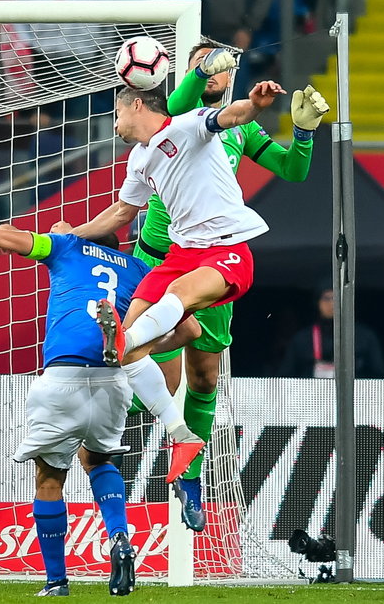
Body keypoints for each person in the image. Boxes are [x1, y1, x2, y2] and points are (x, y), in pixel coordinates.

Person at [128, 42, 328, 531]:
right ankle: (105, 445)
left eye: (222, 64)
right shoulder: (175, 118)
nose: (215, 70)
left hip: (212, 258)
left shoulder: (241, 129)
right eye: (202, 63)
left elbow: (294, 172)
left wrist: (303, 132)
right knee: (155, 376)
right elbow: (177, 105)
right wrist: (199, 72)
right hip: (158, 259)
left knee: (203, 380)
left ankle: (189, 479)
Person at [65, 78, 285, 495]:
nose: (113, 126)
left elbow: (231, 115)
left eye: (115, 114)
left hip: (224, 249)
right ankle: (181, 434)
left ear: (135, 105)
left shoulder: (187, 125)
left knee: (171, 305)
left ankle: (137, 335)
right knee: (126, 354)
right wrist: (69, 238)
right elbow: (119, 214)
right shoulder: (138, 160)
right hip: (180, 254)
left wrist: (255, 104)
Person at [0, 222, 203, 596]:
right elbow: (191, 331)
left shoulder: (65, 247)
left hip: (63, 376)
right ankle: (120, 538)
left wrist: (61, 235)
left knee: (50, 478)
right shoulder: (140, 272)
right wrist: (140, 348)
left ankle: (56, 581)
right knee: (99, 461)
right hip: (112, 379)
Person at [278, 284, 384, 378]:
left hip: (354, 399)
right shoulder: (302, 339)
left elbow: (380, 376)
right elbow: (285, 376)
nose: (331, 304)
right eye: (326, 298)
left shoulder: (365, 337)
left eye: (336, 298)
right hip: (311, 398)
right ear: (317, 303)